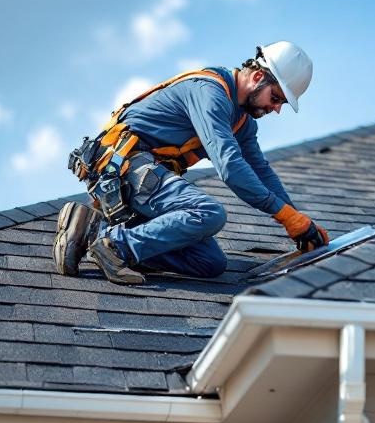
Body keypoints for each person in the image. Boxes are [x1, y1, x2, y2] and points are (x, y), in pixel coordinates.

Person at [53, 41, 329, 284]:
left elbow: (261, 172)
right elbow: (231, 167)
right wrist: (284, 215)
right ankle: (115, 247)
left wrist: (298, 221)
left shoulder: (242, 122)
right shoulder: (210, 93)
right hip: (122, 167)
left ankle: (94, 232)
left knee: (209, 262)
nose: (276, 108)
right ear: (258, 76)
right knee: (209, 212)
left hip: (144, 178)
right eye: (276, 97)